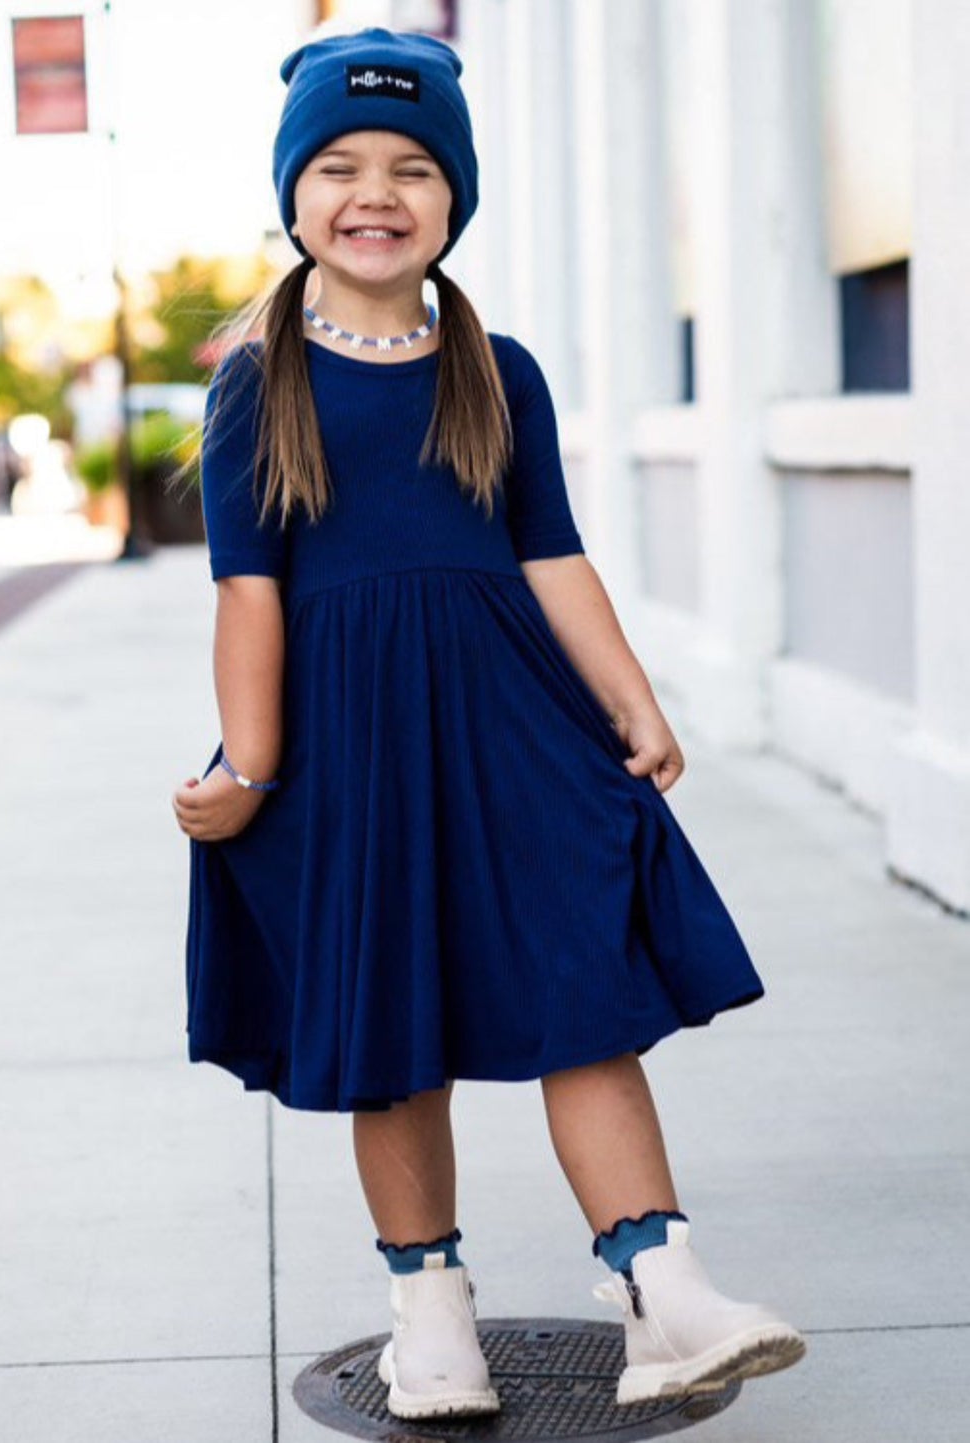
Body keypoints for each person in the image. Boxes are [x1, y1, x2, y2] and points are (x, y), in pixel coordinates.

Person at [170, 26, 805, 1423]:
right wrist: (249, 760)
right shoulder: (256, 379)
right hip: (343, 750)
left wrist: (630, 697)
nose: (374, 192)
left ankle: (666, 1294)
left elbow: (550, 554)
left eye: (411, 168)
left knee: (583, 990)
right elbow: (247, 592)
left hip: (510, 726)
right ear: (291, 196)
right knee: (383, 1029)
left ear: (453, 201)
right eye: (337, 165)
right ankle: (431, 1321)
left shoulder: (490, 367)